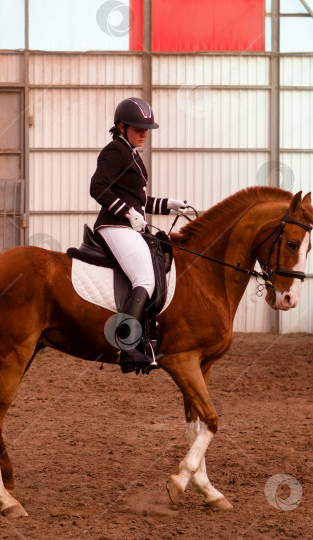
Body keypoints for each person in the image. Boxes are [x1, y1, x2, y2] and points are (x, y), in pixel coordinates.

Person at [90, 97, 190, 374]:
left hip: (128, 225)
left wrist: (168, 204)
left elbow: (140, 203)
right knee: (144, 278)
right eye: (138, 129)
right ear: (121, 127)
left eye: (147, 130)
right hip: (114, 225)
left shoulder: (132, 154)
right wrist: (126, 213)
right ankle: (128, 345)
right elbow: (98, 187)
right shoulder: (114, 151)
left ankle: (149, 339)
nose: (144, 134)